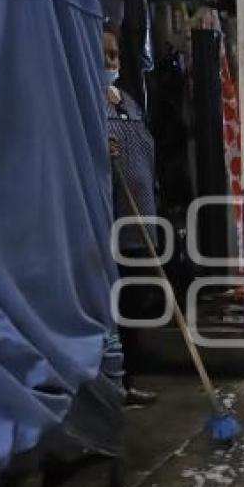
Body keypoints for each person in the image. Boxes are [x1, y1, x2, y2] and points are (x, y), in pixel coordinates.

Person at [104, 21, 159, 406]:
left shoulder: (128, 102)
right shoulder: (86, 105)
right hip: (110, 228)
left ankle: (130, 379)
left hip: (143, 225)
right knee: (115, 308)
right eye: (104, 55)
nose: (111, 60)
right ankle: (114, 385)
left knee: (136, 306)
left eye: (114, 54)